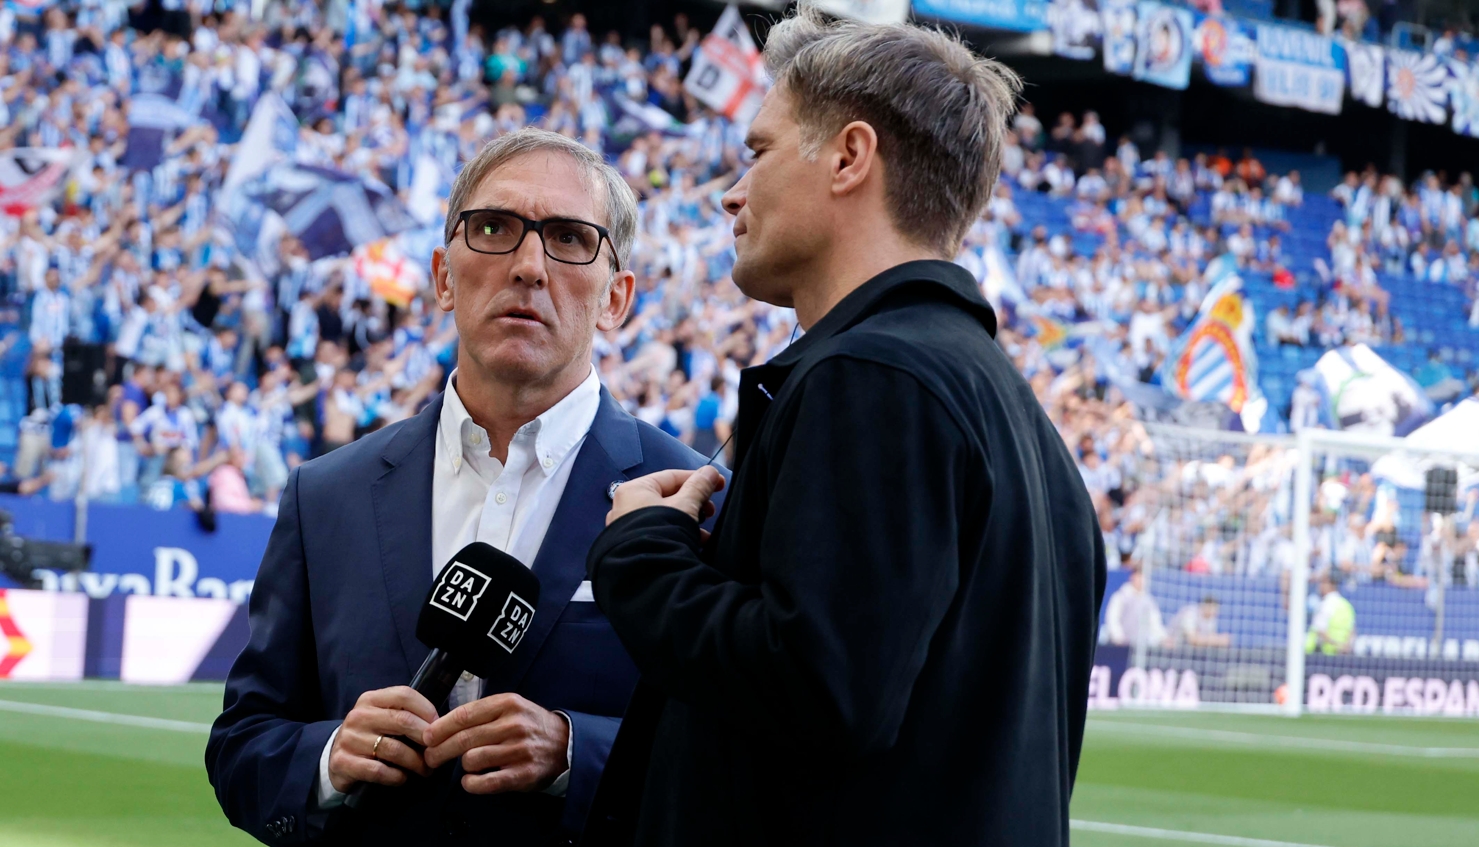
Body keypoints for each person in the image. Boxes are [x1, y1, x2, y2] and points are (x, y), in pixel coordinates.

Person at [582, 9, 1105, 847]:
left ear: (849, 156)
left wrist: (640, 549)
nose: (730, 192)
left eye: (757, 151)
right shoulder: (1026, 428)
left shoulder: (874, 374)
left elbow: (817, 687)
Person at [207, 129, 722, 846]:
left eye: (570, 238)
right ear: (444, 278)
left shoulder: (699, 501)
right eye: (494, 228)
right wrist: (328, 759)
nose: (529, 266)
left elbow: (747, 759)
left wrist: (577, 754)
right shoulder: (324, 496)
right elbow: (242, 743)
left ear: (616, 298)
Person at [1103, 566, 1166, 648]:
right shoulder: (1121, 596)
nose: (1141, 580)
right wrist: (1119, 637)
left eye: (1143, 577)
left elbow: (1155, 622)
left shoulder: (1148, 601)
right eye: (1139, 576)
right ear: (1132, 577)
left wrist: (1163, 638)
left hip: (1138, 646)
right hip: (1119, 645)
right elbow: (1112, 618)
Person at [1306, 575, 1356, 655]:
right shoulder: (1347, 605)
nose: (1319, 587)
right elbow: (1352, 631)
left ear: (1331, 585)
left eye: (1323, 583)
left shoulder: (1325, 604)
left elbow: (1320, 631)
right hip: (1341, 655)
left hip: (1322, 654)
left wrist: (1337, 645)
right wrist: (1345, 646)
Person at [1167, 596, 1232, 648]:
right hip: (1171, 647)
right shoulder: (1190, 613)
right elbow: (1192, 640)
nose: (1215, 612)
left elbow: (1210, 637)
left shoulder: (1211, 619)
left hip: (1189, 651)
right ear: (1205, 606)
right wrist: (1218, 640)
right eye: (1212, 608)